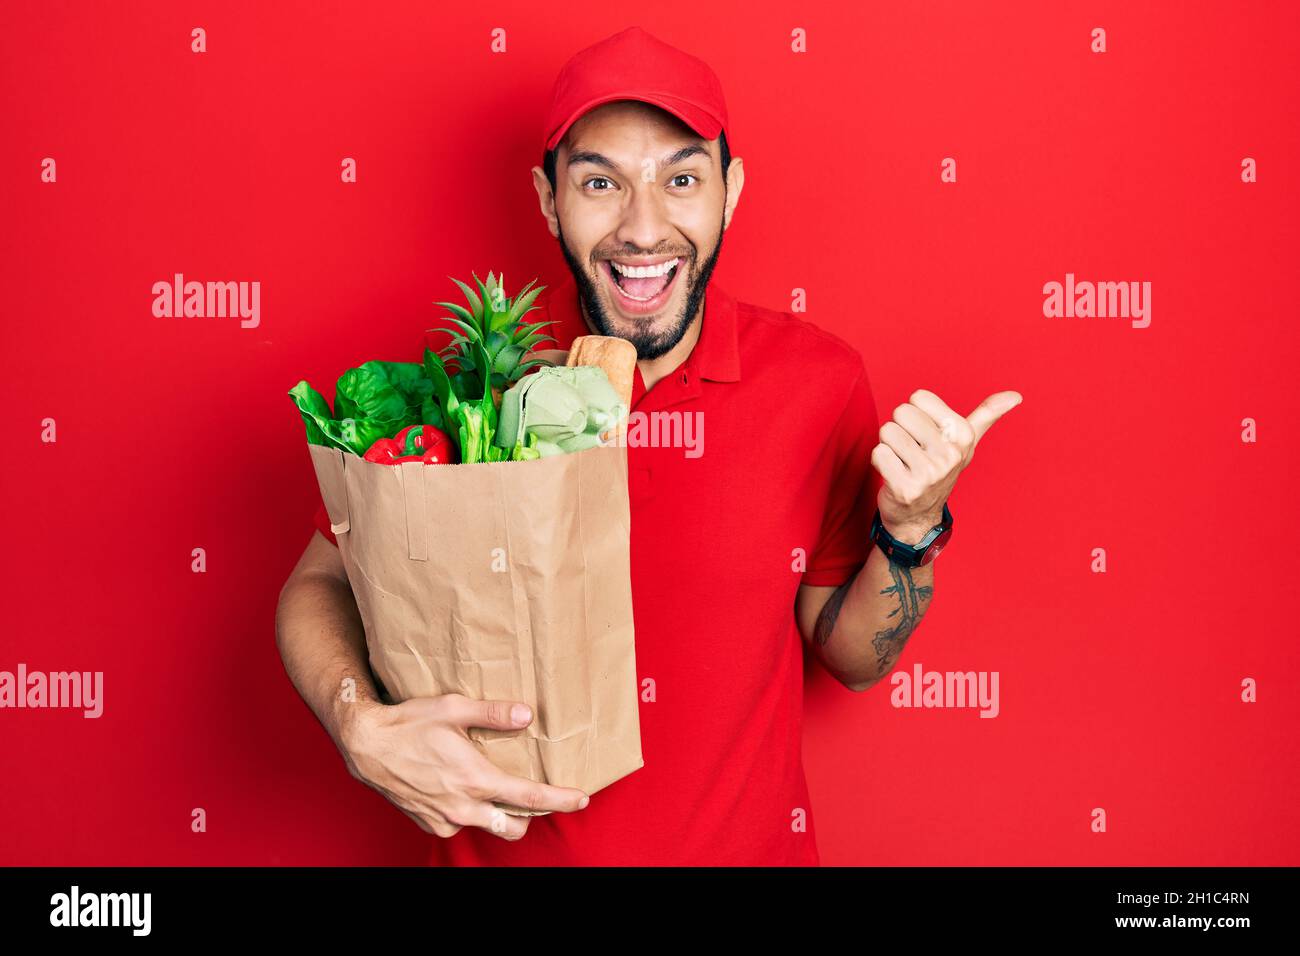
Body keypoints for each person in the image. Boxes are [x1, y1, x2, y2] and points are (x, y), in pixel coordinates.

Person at [275, 26, 1021, 866]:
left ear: (730, 193)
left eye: (681, 179)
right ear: (548, 199)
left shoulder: (819, 383)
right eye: (600, 182)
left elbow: (850, 659)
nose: (643, 227)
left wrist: (912, 529)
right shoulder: (467, 395)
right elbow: (320, 580)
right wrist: (357, 723)